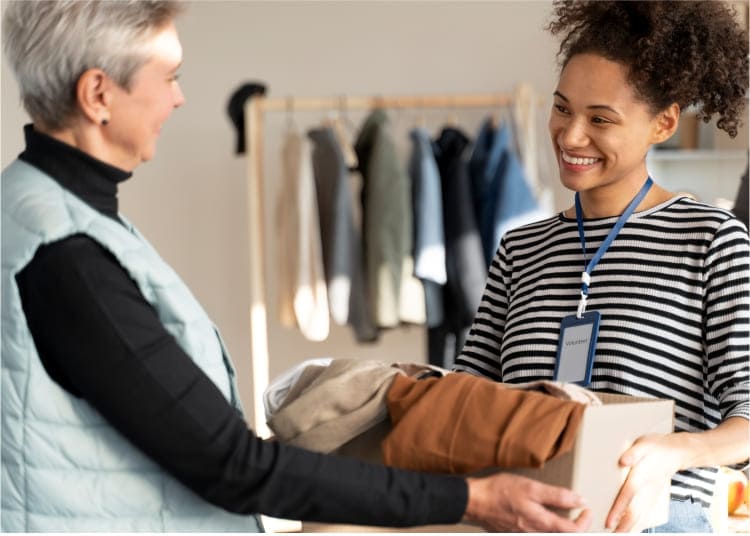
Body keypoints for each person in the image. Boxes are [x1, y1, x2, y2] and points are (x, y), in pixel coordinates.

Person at [0, 1, 592, 532]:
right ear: (98, 94)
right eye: (169, 77)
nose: (179, 97)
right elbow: (232, 464)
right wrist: (471, 500)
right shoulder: (65, 256)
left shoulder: (35, 209)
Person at [454, 0, 749, 532]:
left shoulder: (710, 240)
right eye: (563, 108)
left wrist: (675, 451)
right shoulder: (521, 250)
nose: (570, 136)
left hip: (656, 520)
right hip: (526, 520)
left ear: (664, 123)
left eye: (600, 119)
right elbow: (467, 393)